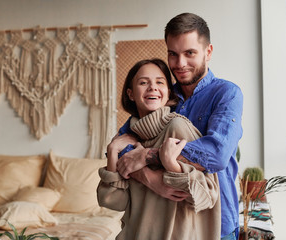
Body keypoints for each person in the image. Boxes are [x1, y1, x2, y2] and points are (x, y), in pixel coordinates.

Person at [115, 13, 243, 240]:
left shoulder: (226, 94)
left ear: (208, 52)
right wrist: (148, 177)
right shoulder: (162, 95)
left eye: (189, 53)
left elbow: (216, 155)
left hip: (217, 224)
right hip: (172, 223)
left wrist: (147, 156)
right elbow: (121, 145)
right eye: (173, 54)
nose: (180, 63)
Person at [97, 58, 221, 240]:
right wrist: (113, 150)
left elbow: (208, 195)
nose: (152, 87)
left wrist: (171, 164)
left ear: (168, 93)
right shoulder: (125, 141)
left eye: (159, 82)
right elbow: (113, 201)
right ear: (131, 94)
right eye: (143, 82)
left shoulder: (177, 127)